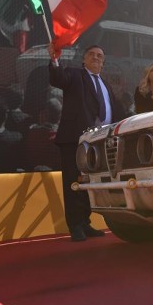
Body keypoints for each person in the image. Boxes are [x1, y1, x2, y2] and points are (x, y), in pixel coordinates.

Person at [48, 42, 124, 242]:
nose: (96, 58)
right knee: (74, 182)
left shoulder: (106, 85)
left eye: (100, 56)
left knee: (89, 183)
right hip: (75, 139)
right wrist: (54, 60)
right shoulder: (74, 75)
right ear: (83, 59)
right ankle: (75, 226)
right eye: (92, 54)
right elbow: (58, 78)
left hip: (99, 144)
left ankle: (85, 222)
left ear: (103, 62)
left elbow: (116, 112)